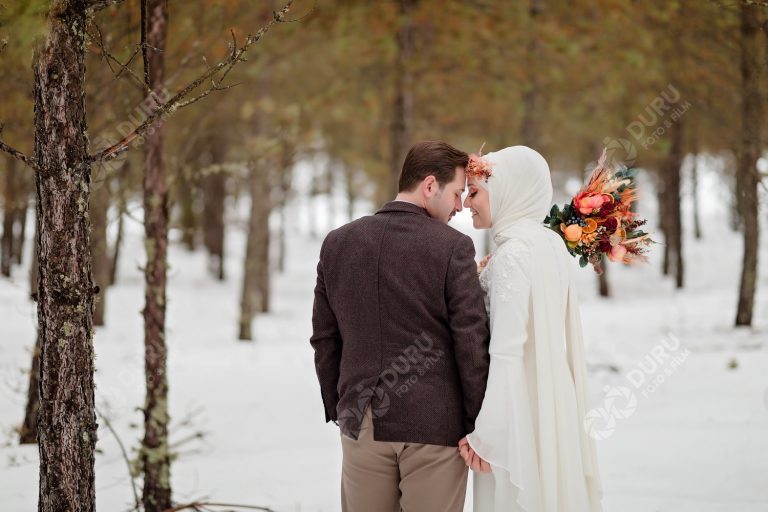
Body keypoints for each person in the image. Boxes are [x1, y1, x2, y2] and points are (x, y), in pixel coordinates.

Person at [310, 140, 491, 512]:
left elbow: (325, 337)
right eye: (457, 193)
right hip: (434, 426)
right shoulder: (453, 248)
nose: (459, 206)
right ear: (429, 186)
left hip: (361, 422)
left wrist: (342, 408)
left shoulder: (337, 243)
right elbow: (470, 341)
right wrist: (477, 425)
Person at [459, 145, 603, 512]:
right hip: (550, 402)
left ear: (507, 191)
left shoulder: (514, 254)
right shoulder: (549, 245)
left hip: (514, 414)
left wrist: (488, 435)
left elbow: (506, 351)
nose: (466, 201)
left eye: (474, 192)